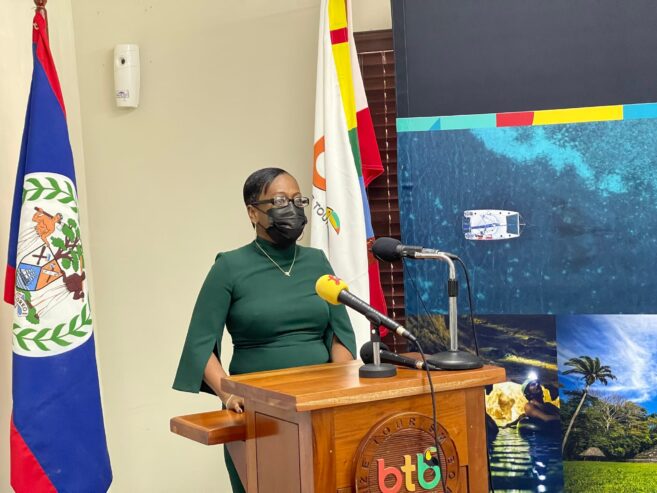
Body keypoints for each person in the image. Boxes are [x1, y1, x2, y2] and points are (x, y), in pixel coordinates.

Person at [173, 167, 357, 493]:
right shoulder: (229, 266)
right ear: (252, 212)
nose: (293, 209)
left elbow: (339, 335)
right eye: (281, 201)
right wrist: (228, 394)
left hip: (317, 408)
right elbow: (200, 345)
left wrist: (336, 391)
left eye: (298, 200)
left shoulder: (317, 262)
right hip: (256, 410)